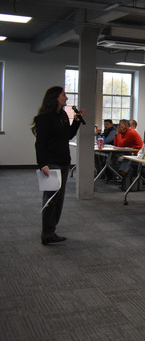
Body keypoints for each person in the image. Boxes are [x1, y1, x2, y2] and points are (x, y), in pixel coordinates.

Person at [32, 86, 87, 245]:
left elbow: (67, 136)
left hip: (64, 161)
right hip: (50, 163)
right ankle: (47, 233)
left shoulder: (62, 115)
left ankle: (51, 230)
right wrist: (42, 164)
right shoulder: (44, 118)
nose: (67, 98)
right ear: (55, 97)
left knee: (59, 199)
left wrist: (76, 122)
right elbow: (40, 144)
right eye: (64, 95)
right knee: (51, 199)